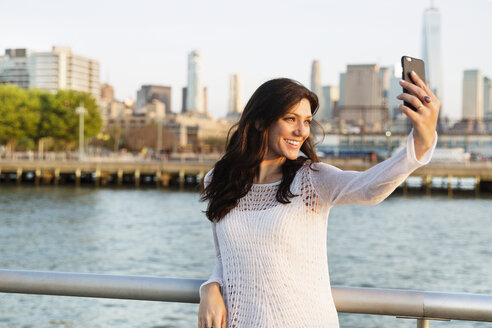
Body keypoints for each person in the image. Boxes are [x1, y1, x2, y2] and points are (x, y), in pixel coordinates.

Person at [198, 72, 439, 328]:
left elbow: (370, 188)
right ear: (259, 121)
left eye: (307, 121)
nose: (301, 131)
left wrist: (421, 143)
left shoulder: (312, 179)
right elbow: (224, 257)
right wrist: (210, 287)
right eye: (290, 119)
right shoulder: (218, 179)